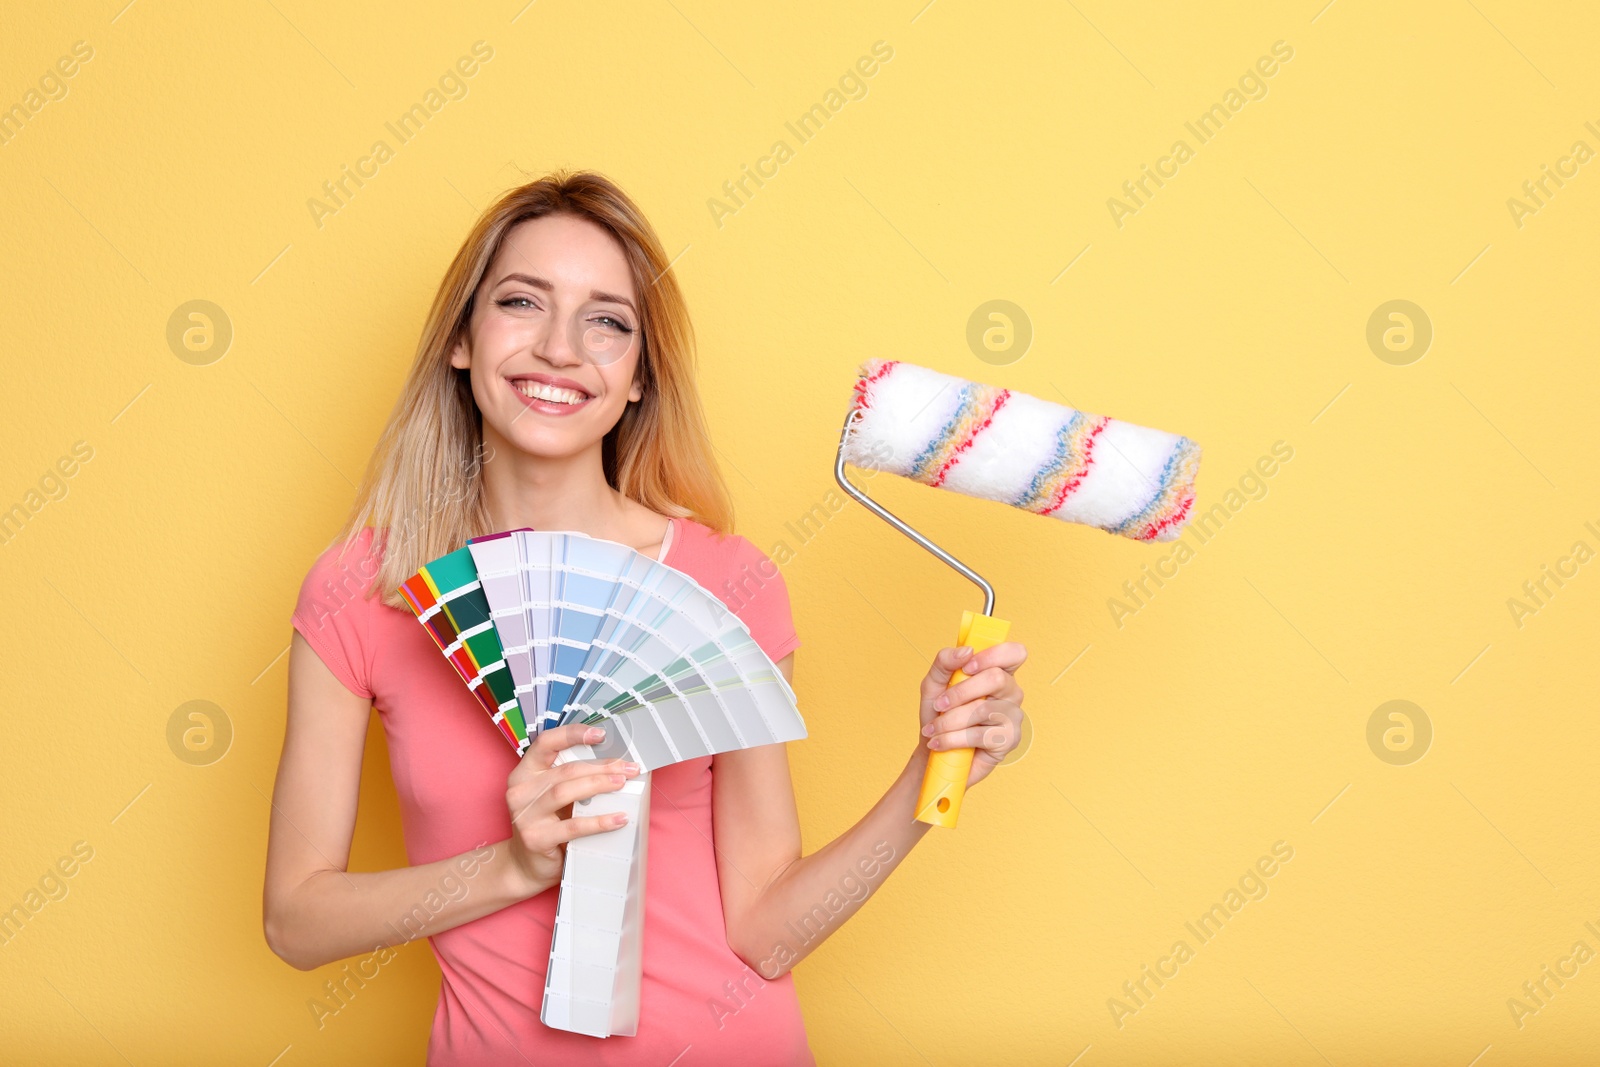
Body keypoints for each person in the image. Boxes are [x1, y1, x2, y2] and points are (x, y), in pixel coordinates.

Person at [262, 170, 1029, 1065]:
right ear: (462, 341)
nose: (560, 347)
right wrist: (508, 869)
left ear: (636, 380)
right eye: (521, 301)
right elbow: (296, 921)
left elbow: (766, 933)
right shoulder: (366, 588)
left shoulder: (726, 582)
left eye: (607, 321)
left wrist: (931, 769)